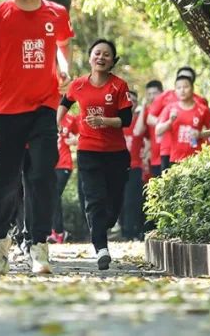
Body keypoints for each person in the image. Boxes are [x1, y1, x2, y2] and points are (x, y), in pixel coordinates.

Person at [0, 0, 74, 275]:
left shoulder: (57, 13)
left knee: (42, 175)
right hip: (7, 111)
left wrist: (64, 70)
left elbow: (63, 47)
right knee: (3, 182)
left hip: (44, 107)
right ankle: (0, 240)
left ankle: (39, 245)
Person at [59, 38, 131, 270]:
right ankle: (101, 248)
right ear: (90, 57)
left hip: (116, 154)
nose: (101, 57)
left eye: (106, 55)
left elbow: (126, 120)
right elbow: (64, 103)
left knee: (113, 205)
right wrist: (55, 124)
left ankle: (105, 224)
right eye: (97, 53)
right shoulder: (78, 85)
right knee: (95, 199)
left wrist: (104, 121)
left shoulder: (119, 86)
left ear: (112, 61)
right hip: (88, 151)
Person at [148, 67, 208, 171]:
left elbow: (208, 126)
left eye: (187, 78)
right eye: (181, 77)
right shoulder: (166, 96)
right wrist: (167, 123)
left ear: (192, 83)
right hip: (167, 148)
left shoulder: (200, 101)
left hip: (192, 148)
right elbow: (150, 118)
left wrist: (199, 134)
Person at [155, 75, 210, 165]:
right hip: (176, 159)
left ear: (192, 88)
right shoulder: (170, 108)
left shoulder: (202, 109)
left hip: (197, 159)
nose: (182, 90)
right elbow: (157, 131)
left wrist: (200, 134)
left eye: (185, 87)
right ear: (175, 91)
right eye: (179, 88)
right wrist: (170, 121)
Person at [119, 90, 147, 241]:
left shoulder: (139, 121)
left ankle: (130, 232)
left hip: (135, 166)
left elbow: (141, 135)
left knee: (132, 200)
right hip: (116, 167)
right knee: (118, 200)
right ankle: (123, 229)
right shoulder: (115, 119)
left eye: (133, 101)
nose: (130, 103)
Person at [49, 109, 78, 244]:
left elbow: (84, 132)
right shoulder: (46, 116)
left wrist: (75, 140)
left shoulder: (70, 119)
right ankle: (55, 231)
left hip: (64, 164)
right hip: (48, 165)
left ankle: (58, 232)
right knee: (50, 196)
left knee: (54, 194)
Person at [140, 80, 163, 179]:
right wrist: (143, 107)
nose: (152, 97)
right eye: (149, 94)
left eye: (155, 93)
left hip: (170, 156)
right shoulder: (147, 112)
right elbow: (140, 132)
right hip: (155, 160)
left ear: (162, 93)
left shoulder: (169, 108)